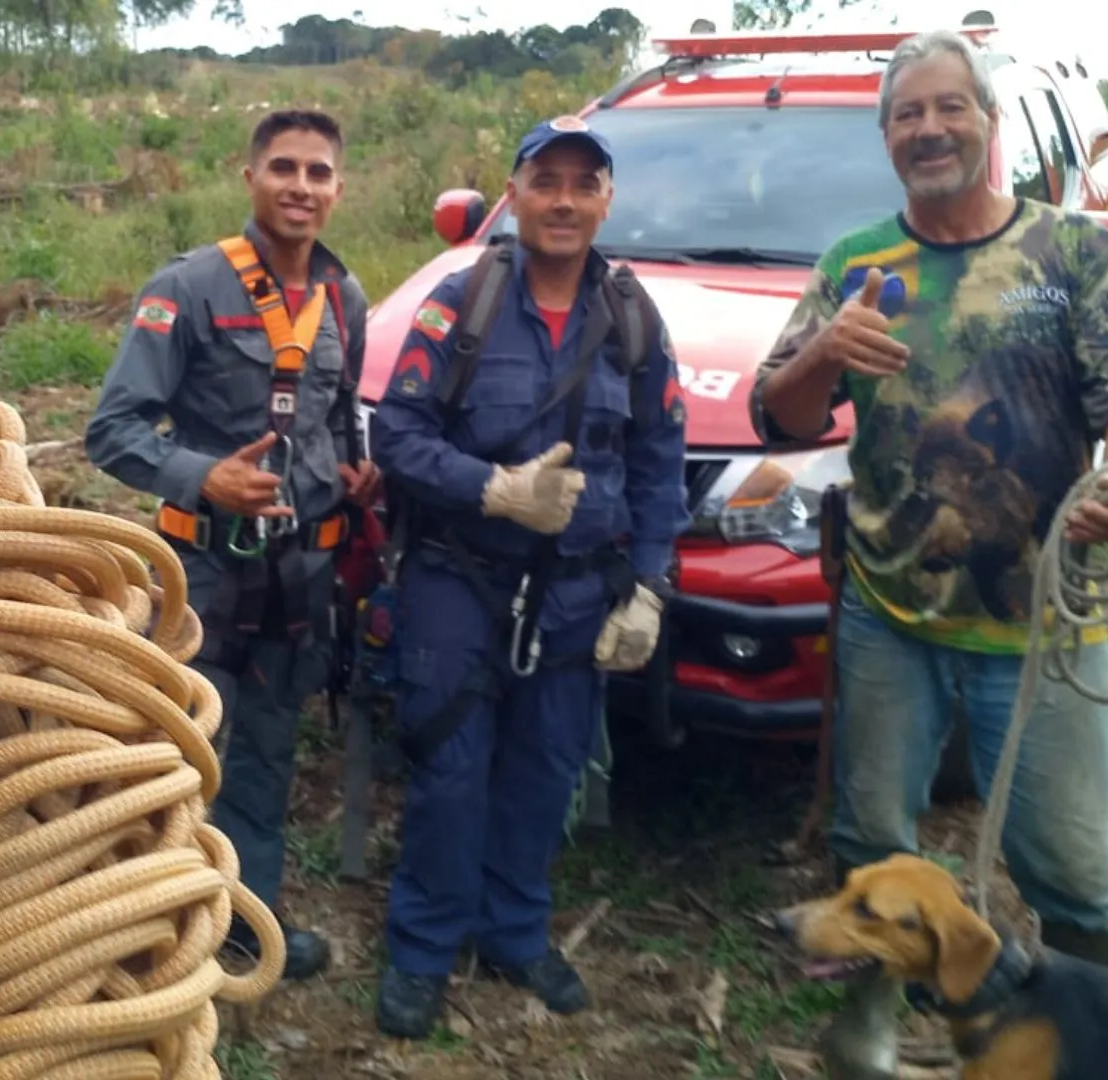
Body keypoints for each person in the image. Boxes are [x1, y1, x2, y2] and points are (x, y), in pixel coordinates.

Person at [750, 29, 1108, 1080]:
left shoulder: (1070, 252)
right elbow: (779, 416)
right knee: (870, 835)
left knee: (1072, 873)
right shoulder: (855, 265)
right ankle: (866, 1023)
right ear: (887, 137)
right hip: (890, 612)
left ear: (989, 122)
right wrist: (823, 351)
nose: (931, 128)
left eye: (952, 107)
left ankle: (1086, 1042)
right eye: (909, 113)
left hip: (1045, 619)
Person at [366, 115, 689, 1039]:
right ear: (512, 195)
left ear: (607, 201)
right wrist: (494, 489)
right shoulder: (460, 302)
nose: (564, 201)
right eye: (546, 181)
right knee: (450, 768)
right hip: (459, 580)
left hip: (580, 593)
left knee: (547, 771)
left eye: (585, 184)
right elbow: (396, 435)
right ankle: (424, 949)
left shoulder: (633, 316)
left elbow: (660, 461)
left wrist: (650, 586)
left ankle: (513, 933)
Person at [84, 108, 378, 983]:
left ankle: (246, 922)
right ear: (250, 177)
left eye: (318, 172)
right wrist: (203, 476)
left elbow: (337, 413)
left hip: (302, 575)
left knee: (269, 750)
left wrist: (354, 469)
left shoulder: (344, 298)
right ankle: (158, 932)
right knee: (185, 753)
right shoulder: (190, 288)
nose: (301, 186)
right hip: (206, 574)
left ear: (339, 188)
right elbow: (112, 431)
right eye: (284, 167)